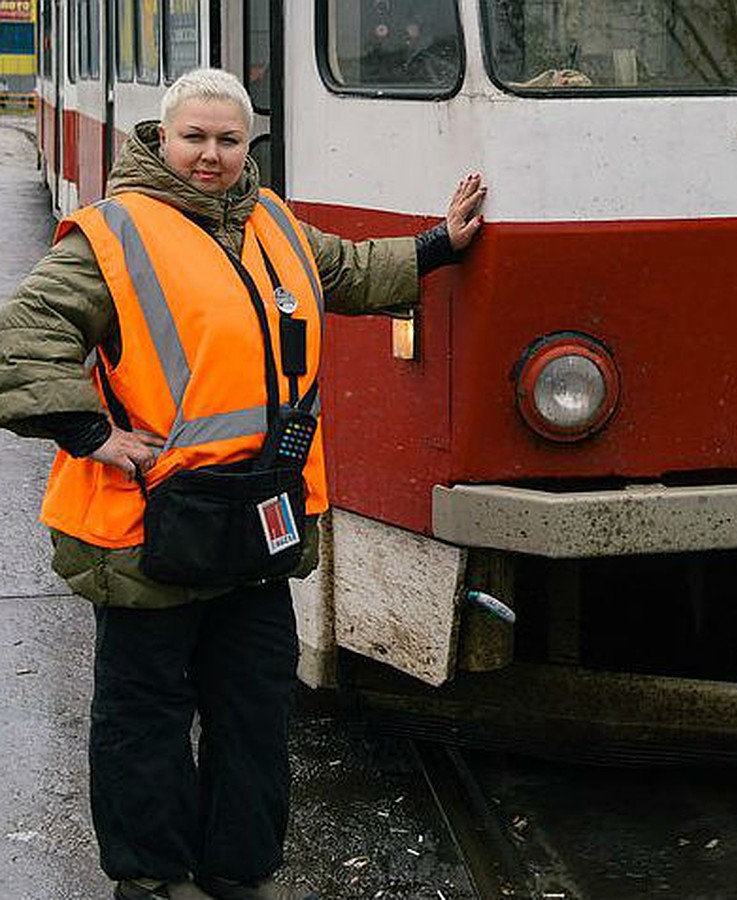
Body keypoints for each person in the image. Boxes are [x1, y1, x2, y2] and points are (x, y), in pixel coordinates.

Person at [0, 68, 485, 900]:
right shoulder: (111, 234)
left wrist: (439, 241)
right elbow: (22, 341)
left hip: (258, 521)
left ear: (247, 144)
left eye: (228, 139)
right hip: (148, 528)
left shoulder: (274, 223)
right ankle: (153, 880)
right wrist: (95, 436)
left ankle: (239, 871)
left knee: (254, 710)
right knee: (145, 718)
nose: (211, 155)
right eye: (194, 137)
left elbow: (350, 272)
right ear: (160, 137)